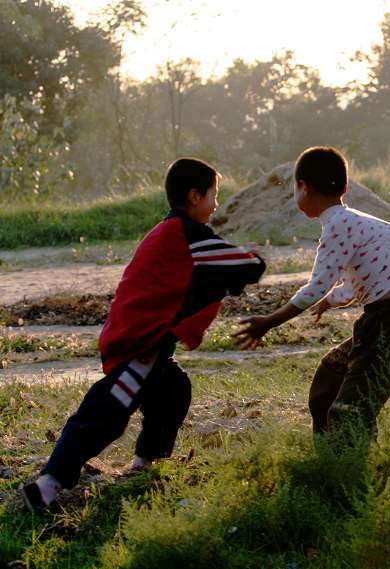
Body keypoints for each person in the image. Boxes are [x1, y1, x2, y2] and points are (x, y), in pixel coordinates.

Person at [22, 158, 266, 511]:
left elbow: (213, 271)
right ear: (195, 196)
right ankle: (48, 484)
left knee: (173, 389)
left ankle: (145, 464)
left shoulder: (168, 231)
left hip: (144, 342)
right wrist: (247, 266)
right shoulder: (187, 234)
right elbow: (247, 265)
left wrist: (228, 277)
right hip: (140, 347)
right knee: (103, 414)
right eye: (214, 195)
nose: (216, 204)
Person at [233, 147, 390, 441]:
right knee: (329, 381)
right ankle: (328, 461)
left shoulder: (337, 226)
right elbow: (357, 277)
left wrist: (270, 321)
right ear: (345, 187)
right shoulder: (346, 221)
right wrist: (331, 300)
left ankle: (352, 475)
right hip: (386, 319)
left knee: (350, 411)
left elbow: (314, 287)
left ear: (303, 187)